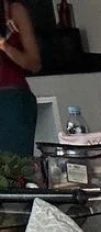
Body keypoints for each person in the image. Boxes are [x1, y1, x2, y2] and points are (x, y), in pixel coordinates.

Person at [0, 0, 40, 157]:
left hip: (12, 99)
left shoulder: (14, 11)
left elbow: (34, 64)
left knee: (14, 166)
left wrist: (4, 45)